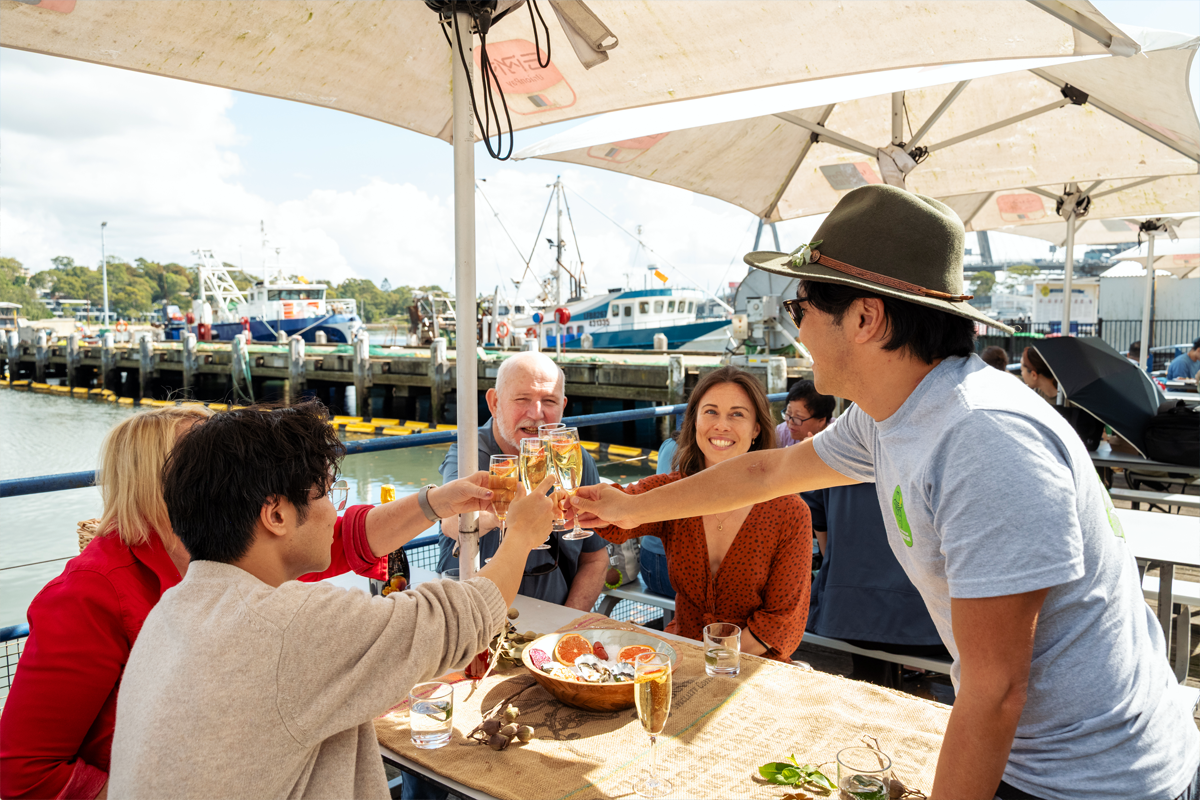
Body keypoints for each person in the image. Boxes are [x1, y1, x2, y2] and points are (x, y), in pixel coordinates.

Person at [573, 185, 1199, 800]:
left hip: (1093, 778)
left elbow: (995, 687)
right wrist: (630, 507)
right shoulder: (894, 413)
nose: (797, 329)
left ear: (867, 318)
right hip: (1036, 753)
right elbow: (768, 473)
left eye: (802, 307)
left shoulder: (983, 437)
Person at [108, 401, 556, 798]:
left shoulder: (172, 608)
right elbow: (462, 616)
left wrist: (440, 502)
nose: (332, 512)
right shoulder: (289, 623)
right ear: (276, 514)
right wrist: (521, 534)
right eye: (324, 493)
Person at [1, 406, 214, 800]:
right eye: (217, 460)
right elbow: (26, 774)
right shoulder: (89, 592)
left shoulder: (219, 556)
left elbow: (307, 548)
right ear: (164, 482)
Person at [593, 367, 812, 662]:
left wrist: (710, 660)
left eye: (737, 414)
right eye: (711, 412)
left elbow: (781, 623)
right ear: (694, 421)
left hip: (751, 668)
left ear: (757, 429)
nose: (721, 425)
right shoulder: (673, 492)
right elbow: (621, 513)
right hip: (680, 658)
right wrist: (586, 505)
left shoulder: (789, 512)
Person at [436, 350, 607, 611]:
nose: (536, 413)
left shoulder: (572, 458)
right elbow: (451, 522)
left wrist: (566, 624)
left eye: (549, 401)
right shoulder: (469, 454)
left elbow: (595, 559)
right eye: (522, 399)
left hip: (552, 619)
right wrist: (506, 516)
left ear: (562, 406)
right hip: (474, 615)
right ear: (494, 403)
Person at [803, 482, 950, 689]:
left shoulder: (838, 451)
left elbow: (815, 512)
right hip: (930, 626)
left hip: (845, 612)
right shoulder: (949, 454)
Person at [776, 378, 834, 446]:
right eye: (788, 413)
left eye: (798, 417)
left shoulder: (838, 437)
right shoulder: (781, 433)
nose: (791, 422)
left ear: (821, 421)